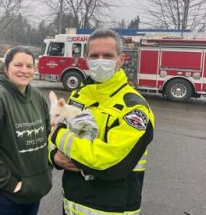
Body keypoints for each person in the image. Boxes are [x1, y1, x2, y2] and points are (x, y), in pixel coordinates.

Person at [48, 28, 155, 214]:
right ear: (87, 59)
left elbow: (111, 164)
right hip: (71, 205)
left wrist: (60, 136)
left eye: (108, 55)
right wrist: (54, 157)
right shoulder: (79, 96)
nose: (100, 61)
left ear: (121, 60)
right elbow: (52, 133)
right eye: (95, 55)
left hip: (111, 209)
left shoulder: (134, 108)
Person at [0, 46, 52, 215]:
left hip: (32, 194)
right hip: (1, 198)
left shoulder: (37, 97)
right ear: (6, 68)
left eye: (29, 66)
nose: (24, 70)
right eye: (18, 65)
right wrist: (12, 184)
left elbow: (46, 138)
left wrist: (44, 175)